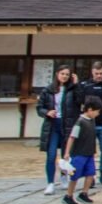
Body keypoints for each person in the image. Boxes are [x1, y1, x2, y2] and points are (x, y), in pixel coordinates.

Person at [37, 65, 79, 195]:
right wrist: (47, 112)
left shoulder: (72, 89)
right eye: (62, 74)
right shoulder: (48, 90)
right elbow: (39, 108)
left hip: (67, 124)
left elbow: (81, 101)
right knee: (51, 155)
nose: (65, 76)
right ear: (57, 74)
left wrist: (76, 85)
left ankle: (64, 177)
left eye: (67, 74)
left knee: (66, 155)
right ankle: (50, 183)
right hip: (52, 125)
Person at [60, 95, 102, 204]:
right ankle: (68, 195)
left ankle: (84, 193)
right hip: (79, 154)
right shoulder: (80, 122)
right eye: (97, 111)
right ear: (89, 110)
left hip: (89, 153)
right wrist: (67, 152)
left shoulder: (92, 120)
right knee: (74, 175)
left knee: (91, 173)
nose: (98, 113)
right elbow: (72, 137)